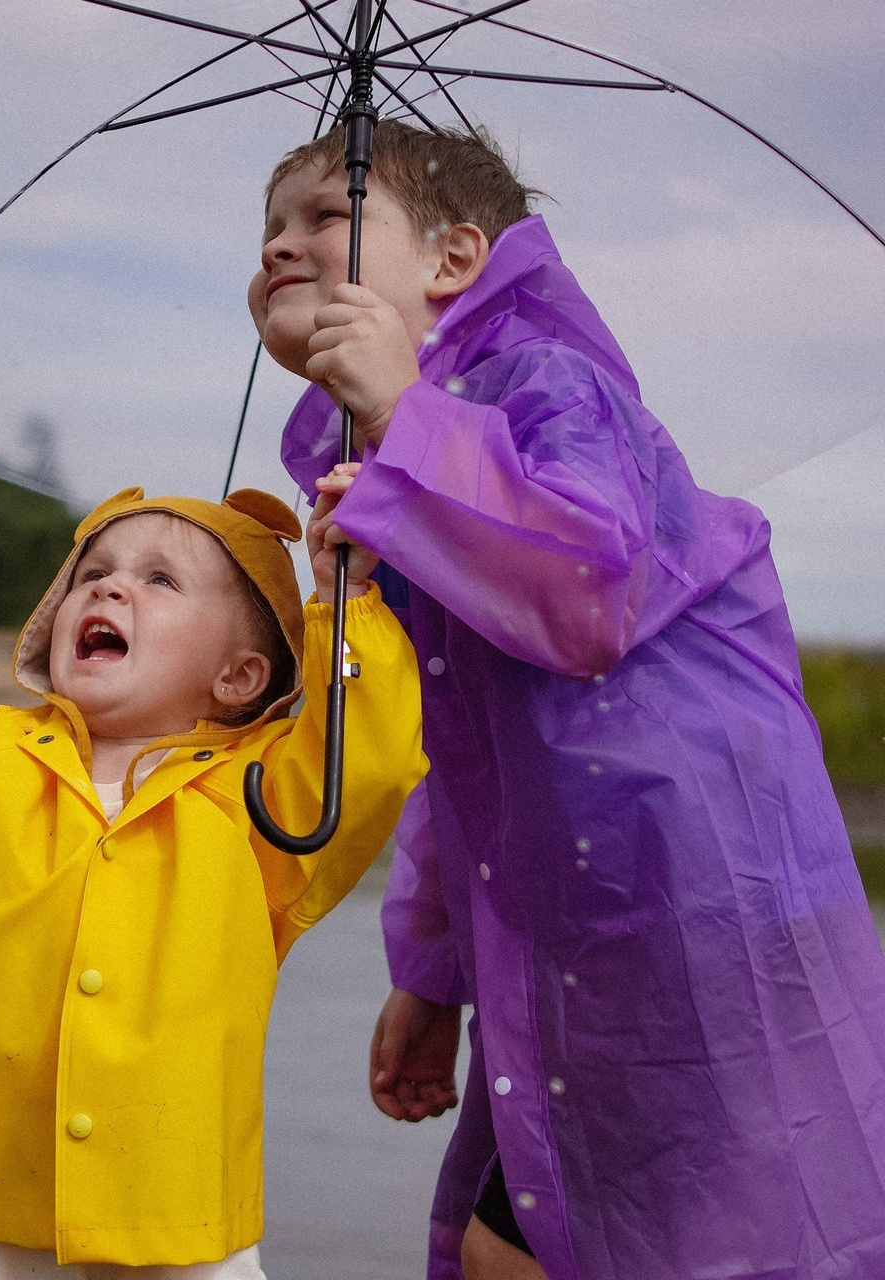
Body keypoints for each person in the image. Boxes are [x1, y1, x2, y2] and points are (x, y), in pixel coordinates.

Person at [247, 119, 885, 1280]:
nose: (279, 248)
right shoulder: (398, 466)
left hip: (690, 912)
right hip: (567, 929)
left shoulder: (548, 382)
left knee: (651, 1237)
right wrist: (429, 971)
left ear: (453, 260)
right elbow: (459, 751)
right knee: (537, 1235)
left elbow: (584, 596)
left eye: (325, 216)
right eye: (267, 230)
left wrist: (404, 420)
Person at [0, 469, 426, 1279]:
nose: (109, 588)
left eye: (160, 580)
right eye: (93, 572)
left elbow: (373, 761)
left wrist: (345, 601)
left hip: (179, 1225)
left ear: (239, 677)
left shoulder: (263, 801)